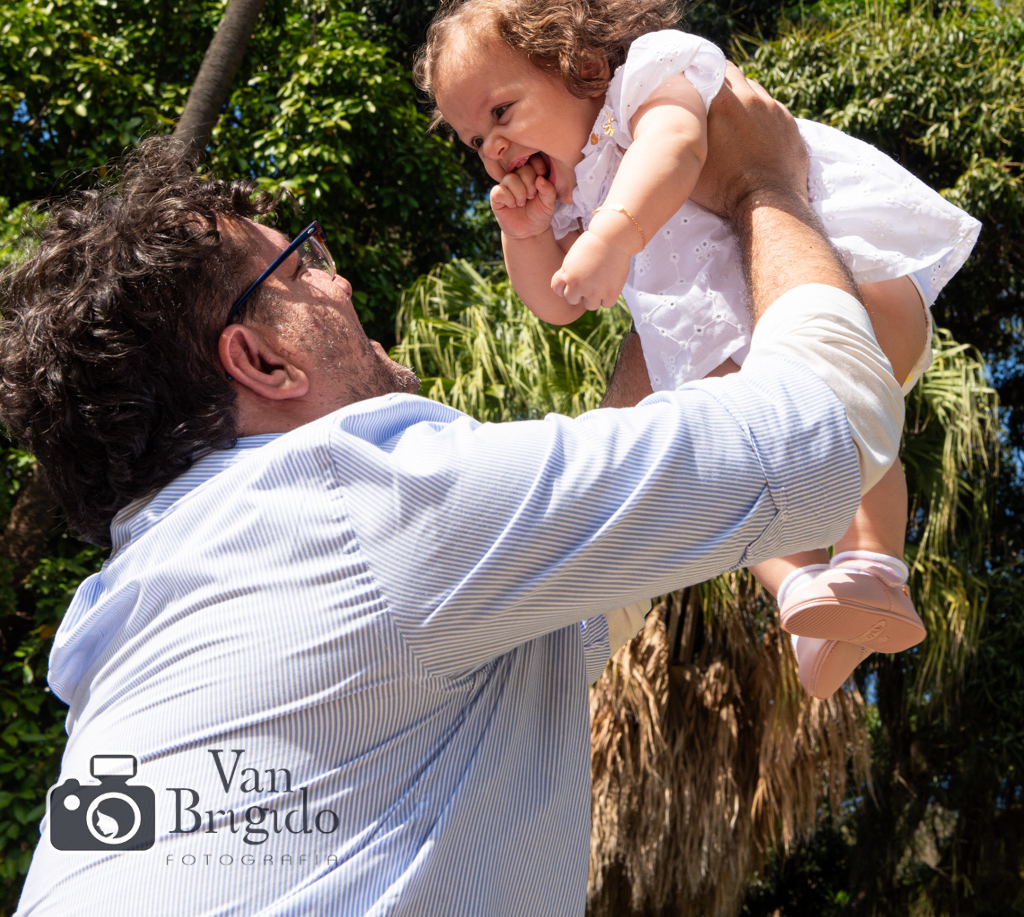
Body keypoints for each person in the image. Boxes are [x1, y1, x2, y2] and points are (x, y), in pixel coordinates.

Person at [3, 80, 905, 917]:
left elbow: (595, 598)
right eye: (302, 265)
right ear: (262, 361)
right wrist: (761, 185)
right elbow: (826, 422)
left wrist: (666, 327)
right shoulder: (352, 495)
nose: (341, 280)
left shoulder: (143, 603)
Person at [416, 0, 980, 697]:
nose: (493, 148)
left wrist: (614, 233)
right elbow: (555, 304)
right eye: (475, 138)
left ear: (580, 62)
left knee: (848, 406)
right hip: (738, 337)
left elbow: (677, 148)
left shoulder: (649, 79)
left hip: (837, 276)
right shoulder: (574, 189)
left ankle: (875, 557)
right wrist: (526, 236)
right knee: (733, 449)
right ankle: (808, 598)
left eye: (502, 111)